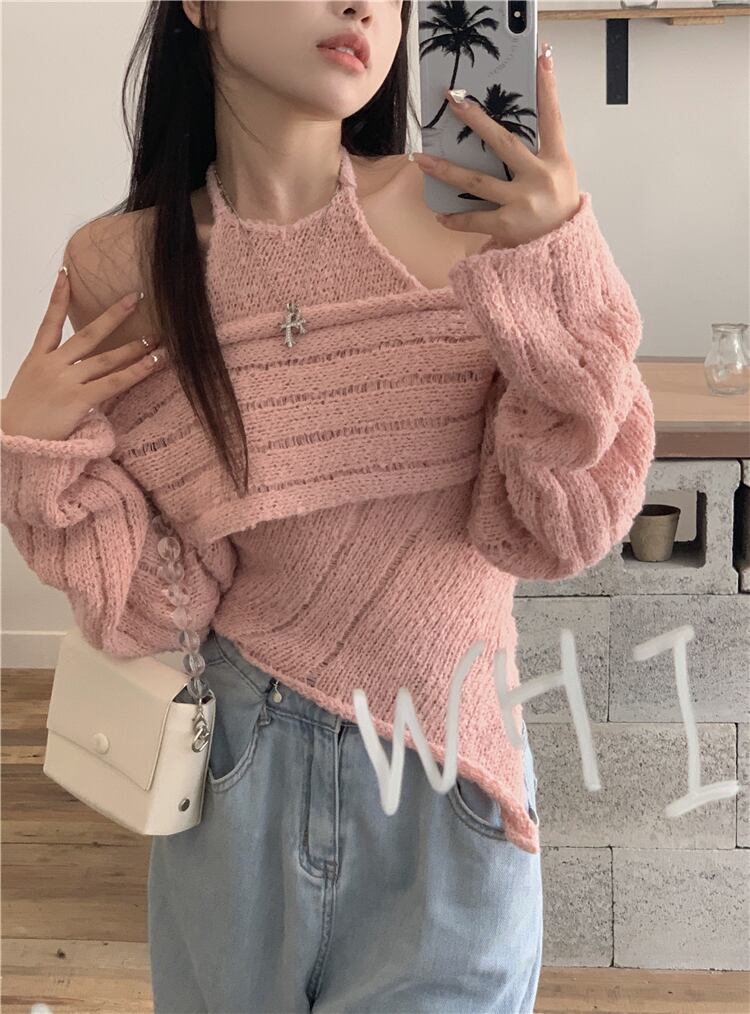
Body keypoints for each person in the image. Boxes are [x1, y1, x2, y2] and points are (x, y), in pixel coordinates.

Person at [0, 2, 656, 1011]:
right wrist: (35, 454)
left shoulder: (470, 217)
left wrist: (558, 267)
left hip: (448, 776)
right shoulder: (122, 266)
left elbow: (559, 526)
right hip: (238, 781)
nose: (364, 7)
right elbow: (168, 601)